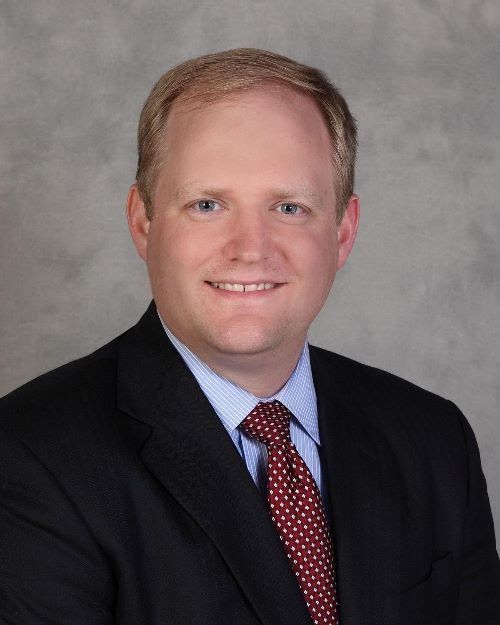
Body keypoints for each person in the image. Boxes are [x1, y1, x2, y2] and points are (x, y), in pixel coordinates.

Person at [0, 48, 498, 625]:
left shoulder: (434, 440)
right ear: (144, 222)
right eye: (207, 205)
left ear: (342, 231)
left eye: (289, 206)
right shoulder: (30, 458)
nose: (250, 248)